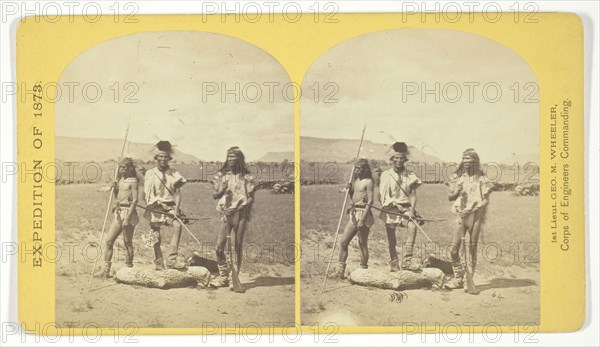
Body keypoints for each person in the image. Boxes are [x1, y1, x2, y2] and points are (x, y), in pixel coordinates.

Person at [444, 148, 494, 289]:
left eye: (470, 161)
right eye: (464, 160)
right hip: (460, 216)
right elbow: (450, 197)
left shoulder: (483, 179)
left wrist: (473, 209)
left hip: (475, 216)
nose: (467, 163)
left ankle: (469, 280)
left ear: (476, 162)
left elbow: (485, 201)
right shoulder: (458, 177)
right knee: (454, 249)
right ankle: (458, 278)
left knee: (472, 248)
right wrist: (457, 190)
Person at [211, 146, 257, 288]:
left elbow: (250, 199)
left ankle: (234, 278)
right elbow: (215, 196)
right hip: (226, 214)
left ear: (239, 159)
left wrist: (239, 208)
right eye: (228, 157)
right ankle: (223, 276)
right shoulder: (221, 175)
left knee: (237, 245)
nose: (231, 159)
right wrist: (222, 189)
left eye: (233, 157)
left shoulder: (247, 177)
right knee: (219, 247)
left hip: (241, 214)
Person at [378, 142, 423, 272]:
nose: (398, 160)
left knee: (412, 227)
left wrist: (412, 211)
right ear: (392, 159)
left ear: (405, 159)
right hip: (390, 209)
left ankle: (407, 261)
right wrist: (392, 204)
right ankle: (394, 263)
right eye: (396, 157)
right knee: (392, 238)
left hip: (405, 209)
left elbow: (413, 196)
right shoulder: (386, 175)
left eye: (401, 158)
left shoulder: (410, 176)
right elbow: (382, 196)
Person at [143, 141, 187, 270]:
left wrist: (176, 210)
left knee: (177, 226)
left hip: (169, 207)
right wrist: (152, 204)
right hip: (155, 207)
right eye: (160, 156)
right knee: (155, 233)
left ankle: (171, 260)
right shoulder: (150, 173)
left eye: (165, 156)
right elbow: (146, 193)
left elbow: (177, 194)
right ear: (156, 157)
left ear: (169, 158)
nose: (163, 159)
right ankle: (158, 262)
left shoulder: (174, 174)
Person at [94, 157, 139, 277]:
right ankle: (105, 271)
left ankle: (129, 269)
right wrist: (114, 188)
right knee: (109, 241)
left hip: (129, 213)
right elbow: (117, 197)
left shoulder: (133, 181)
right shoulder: (120, 179)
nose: (123, 169)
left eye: (125, 167)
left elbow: (135, 200)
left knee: (127, 242)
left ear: (131, 168)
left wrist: (128, 219)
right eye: (121, 167)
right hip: (119, 212)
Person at [332, 158, 375, 279]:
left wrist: (362, 220)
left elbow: (370, 201)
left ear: (365, 169)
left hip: (364, 214)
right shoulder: (356, 181)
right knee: (344, 242)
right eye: (355, 168)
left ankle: (363, 272)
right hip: (354, 213)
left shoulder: (369, 181)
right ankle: (340, 272)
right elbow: (353, 197)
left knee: (362, 244)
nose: (356, 171)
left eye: (359, 168)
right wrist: (350, 189)